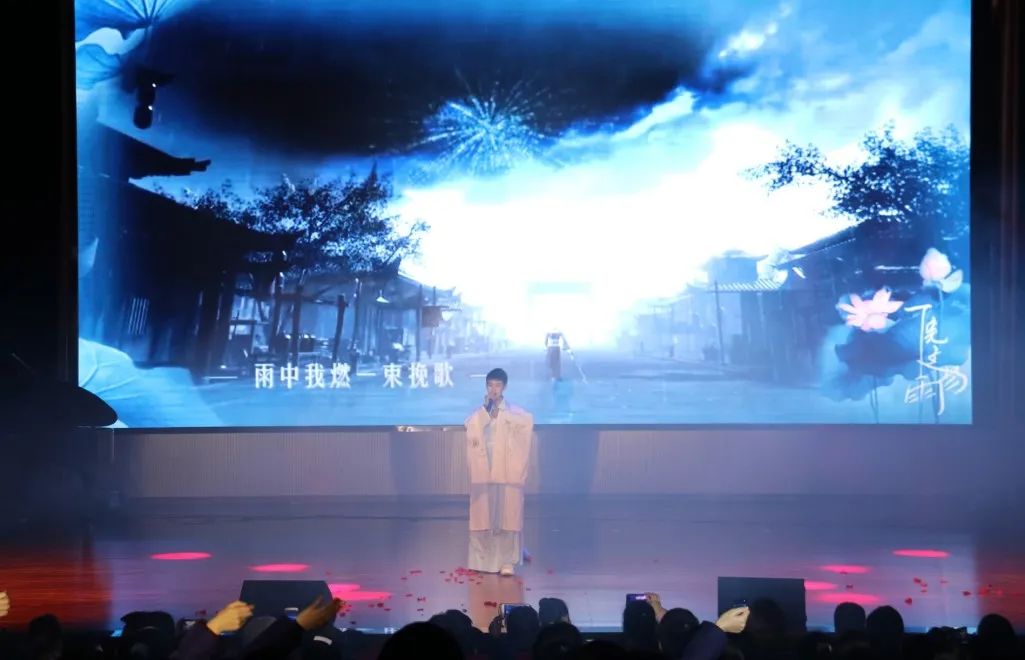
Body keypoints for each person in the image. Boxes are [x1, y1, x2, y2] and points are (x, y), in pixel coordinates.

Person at [465, 368, 534, 576]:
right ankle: (483, 560)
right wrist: (487, 413)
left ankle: (507, 561)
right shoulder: (479, 413)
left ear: (504, 387)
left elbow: (526, 424)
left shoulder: (515, 413)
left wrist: (503, 416)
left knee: (507, 517)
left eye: (497, 385)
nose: (493, 389)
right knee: (484, 516)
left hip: (506, 473)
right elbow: (470, 427)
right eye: (490, 385)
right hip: (485, 472)